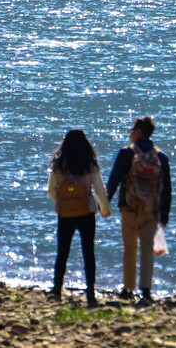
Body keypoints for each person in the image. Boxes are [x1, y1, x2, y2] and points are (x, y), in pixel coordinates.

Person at [105, 116, 171, 305]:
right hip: (151, 211)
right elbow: (167, 188)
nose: (130, 133)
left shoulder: (127, 153)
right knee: (147, 250)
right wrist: (164, 215)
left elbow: (114, 180)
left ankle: (128, 289)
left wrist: (105, 204)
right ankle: (146, 291)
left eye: (132, 129)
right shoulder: (161, 157)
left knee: (130, 249)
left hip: (129, 208)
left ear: (139, 131)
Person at [47, 129, 110, 307]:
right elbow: (99, 190)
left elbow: (51, 190)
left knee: (62, 252)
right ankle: (90, 292)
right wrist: (103, 209)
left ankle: (57, 289)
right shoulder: (90, 164)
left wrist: (62, 201)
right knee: (88, 253)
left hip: (65, 213)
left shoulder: (59, 165)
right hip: (87, 212)